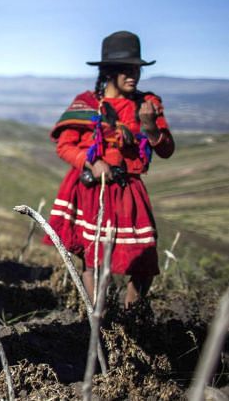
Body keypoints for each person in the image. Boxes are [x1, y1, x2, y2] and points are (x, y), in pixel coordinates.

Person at [47, 31, 174, 307]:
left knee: (143, 257)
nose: (133, 76)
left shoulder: (148, 104)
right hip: (92, 190)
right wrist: (92, 161)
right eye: (125, 70)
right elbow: (64, 146)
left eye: (136, 69)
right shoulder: (88, 104)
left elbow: (165, 149)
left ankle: (131, 320)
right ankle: (98, 319)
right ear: (108, 72)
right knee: (93, 259)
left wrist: (150, 127)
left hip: (130, 190)